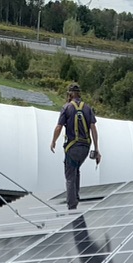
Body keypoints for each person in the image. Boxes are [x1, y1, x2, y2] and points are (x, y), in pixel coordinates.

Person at [50, 83, 100, 211]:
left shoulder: (66, 108)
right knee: (76, 170)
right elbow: (93, 128)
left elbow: (59, 127)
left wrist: (53, 141)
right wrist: (97, 149)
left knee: (70, 176)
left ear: (71, 94)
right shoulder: (87, 108)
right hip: (85, 148)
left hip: (72, 148)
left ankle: (72, 206)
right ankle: (76, 197)